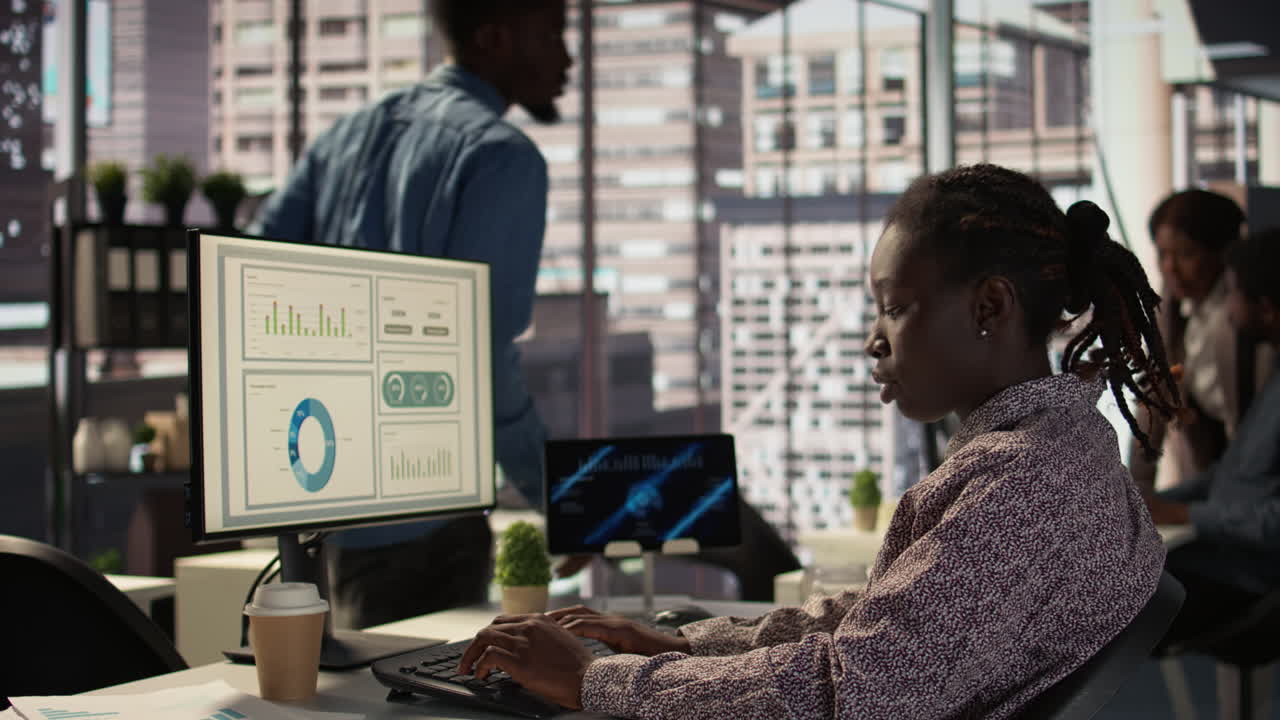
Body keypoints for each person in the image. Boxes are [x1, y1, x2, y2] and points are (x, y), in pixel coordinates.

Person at [455, 164, 1177, 717]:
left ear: (989, 305)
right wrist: (683, 644)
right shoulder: (1065, 447)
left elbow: (853, 693)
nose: (874, 339)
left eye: (895, 308)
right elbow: (880, 626)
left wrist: (593, 680)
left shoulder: (1018, 484)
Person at [250, 0, 572, 628]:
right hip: (424, 524)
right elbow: (479, 355)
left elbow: (254, 281)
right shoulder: (501, 156)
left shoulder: (343, 138)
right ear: (496, 35)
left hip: (320, 513)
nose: (568, 58)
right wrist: (559, 500)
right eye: (554, 34)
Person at [1146, 228, 1280, 648]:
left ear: (1267, 309)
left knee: (1091, 602)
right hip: (1220, 556)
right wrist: (1157, 504)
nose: (1227, 306)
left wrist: (1183, 514)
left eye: (1234, 293)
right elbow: (1233, 474)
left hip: (1249, 582)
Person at [1130, 190, 1273, 492]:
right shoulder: (1168, 309)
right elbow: (1152, 402)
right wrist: (1138, 491)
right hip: (1209, 467)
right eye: (1162, 254)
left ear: (1221, 253)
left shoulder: (1249, 315)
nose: (1170, 267)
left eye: (1185, 254)